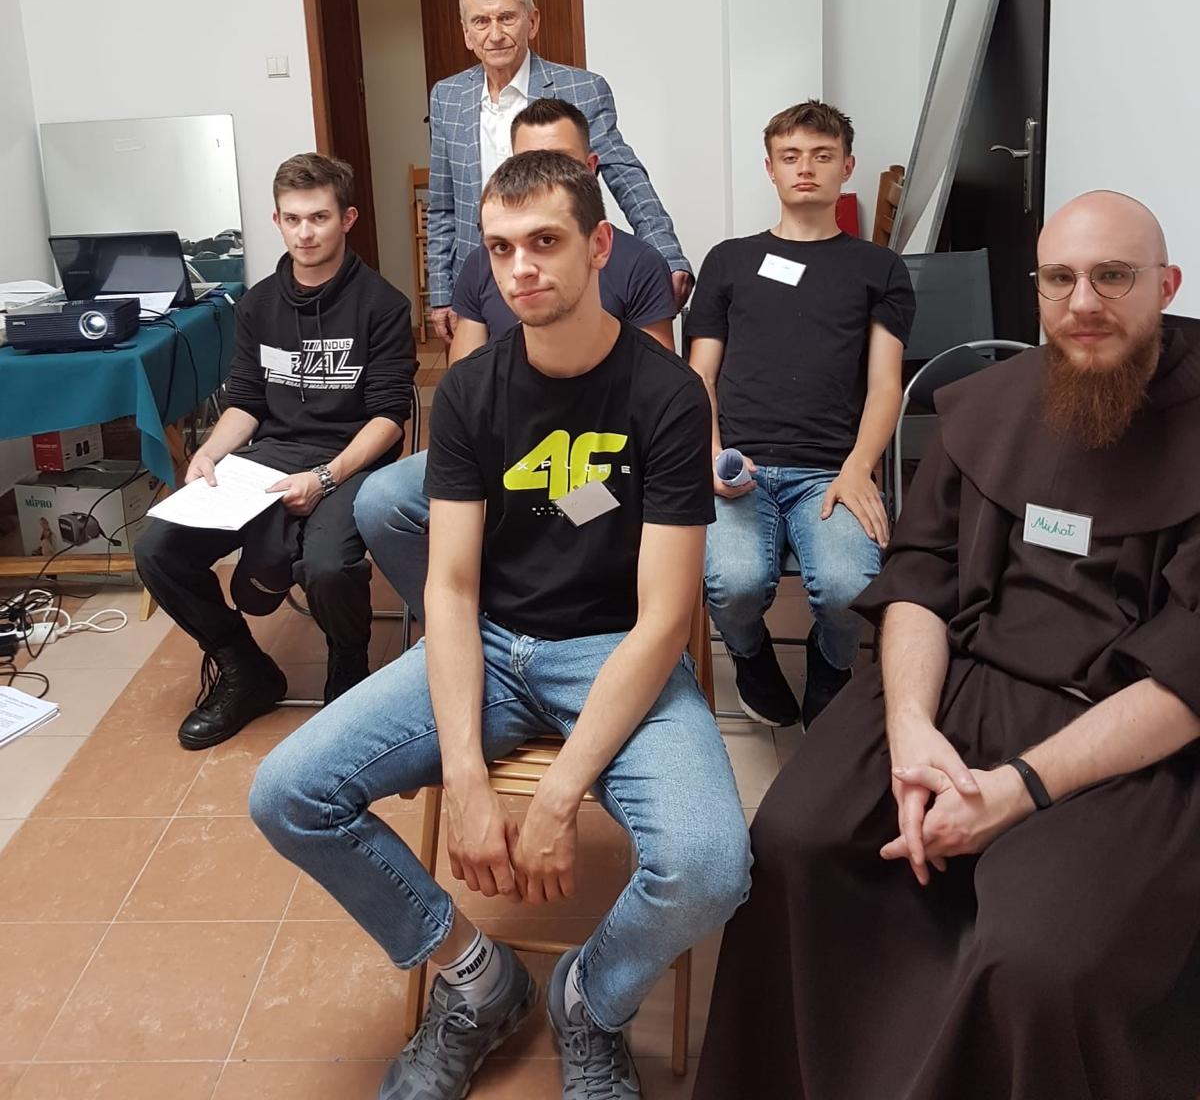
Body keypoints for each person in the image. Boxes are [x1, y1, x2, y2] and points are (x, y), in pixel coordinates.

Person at [251, 150, 749, 1100]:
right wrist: (468, 777)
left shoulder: (667, 395)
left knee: (712, 865)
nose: (522, 267)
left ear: (598, 247)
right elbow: (448, 591)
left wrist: (556, 799)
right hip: (489, 644)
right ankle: (478, 982)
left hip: (615, 650)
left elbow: (665, 618)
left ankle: (589, 1002)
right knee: (286, 793)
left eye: (546, 242)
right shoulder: (472, 391)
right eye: (502, 247)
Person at [694, 190, 1200, 1100]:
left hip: (1124, 728)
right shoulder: (990, 408)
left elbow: (1190, 669)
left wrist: (1020, 789)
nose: (1083, 303)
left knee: (1037, 958)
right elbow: (922, 578)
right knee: (795, 839)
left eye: (1113, 277)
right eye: (1059, 280)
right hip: (960, 685)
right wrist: (913, 730)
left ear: (1166, 285)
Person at [355, 96, 677, 617]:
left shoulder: (637, 264)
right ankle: (467, 625)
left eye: (559, 162)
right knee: (381, 500)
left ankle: (542, 621)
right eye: (527, 162)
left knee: (558, 512)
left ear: (590, 167)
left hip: (597, 453)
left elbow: (656, 397)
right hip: (500, 443)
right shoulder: (486, 264)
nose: (520, 267)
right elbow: (464, 381)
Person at [136, 153, 416, 748]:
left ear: (348, 218)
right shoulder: (258, 304)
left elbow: (389, 418)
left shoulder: (383, 305)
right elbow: (246, 401)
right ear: (277, 220)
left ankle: (347, 664)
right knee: (158, 548)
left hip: (352, 457)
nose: (305, 233)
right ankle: (245, 669)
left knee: (328, 566)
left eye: (319, 217)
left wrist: (327, 477)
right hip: (272, 453)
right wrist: (209, 453)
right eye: (292, 219)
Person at [685, 100, 914, 728]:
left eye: (821, 156)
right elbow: (699, 376)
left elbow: (886, 385)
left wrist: (859, 468)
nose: (805, 168)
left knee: (850, 589)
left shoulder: (878, 268)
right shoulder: (729, 260)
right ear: (770, 168)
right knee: (732, 583)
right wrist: (710, 456)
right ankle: (750, 654)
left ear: (847, 167)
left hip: (832, 472)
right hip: (740, 466)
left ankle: (831, 664)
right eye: (790, 157)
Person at [426, 0, 691, 343]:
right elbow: (442, 204)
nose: (495, 34)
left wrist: (665, 252)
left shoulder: (581, 89)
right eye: (481, 22)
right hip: (482, 278)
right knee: (488, 377)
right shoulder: (447, 97)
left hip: (556, 268)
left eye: (507, 18)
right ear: (466, 33)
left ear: (532, 21)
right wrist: (441, 292)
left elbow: (625, 175)